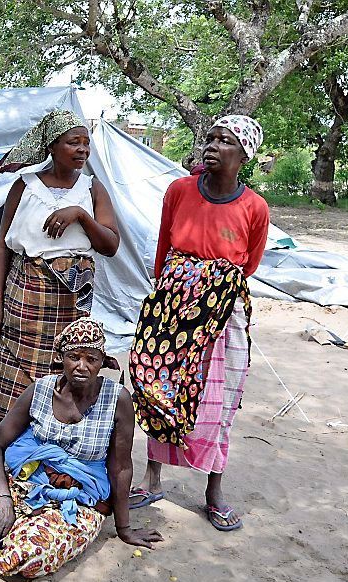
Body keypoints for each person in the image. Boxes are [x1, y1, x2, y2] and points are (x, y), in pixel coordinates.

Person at [0, 319, 161, 578]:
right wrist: (3, 498)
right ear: (61, 358)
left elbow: (121, 467)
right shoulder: (39, 390)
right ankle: (12, 528)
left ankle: (17, 537)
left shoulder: (117, 399)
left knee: (33, 552)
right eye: (74, 357)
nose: (82, 366)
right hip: (28, 483)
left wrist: (124, 527)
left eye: (91, 359)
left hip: (80, 497)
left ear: (102, 361)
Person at [127, 115, 269, 532]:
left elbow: (250, 263)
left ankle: (214, 491)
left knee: (219, 398)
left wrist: (209, 285)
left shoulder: (254, 207)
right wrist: (167, 293)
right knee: (159, 385)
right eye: (210, 138)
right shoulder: (180, 189)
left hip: (223, 308)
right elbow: (163, 244)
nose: (211, 146)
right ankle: (152, 477)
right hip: (172, 300)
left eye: (224, 141)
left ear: (243, 156)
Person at [0, 109, 121, 461]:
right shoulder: (25, 186)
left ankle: (49, 457)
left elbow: (110, 244)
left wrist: (79, 214)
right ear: (52, 145)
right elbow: (2, 245)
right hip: (26, 293)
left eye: (86, 143)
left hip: (71, 300)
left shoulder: (92, 189)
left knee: (62, 372)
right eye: (72, 142)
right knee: (14, 373)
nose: (82, 149)